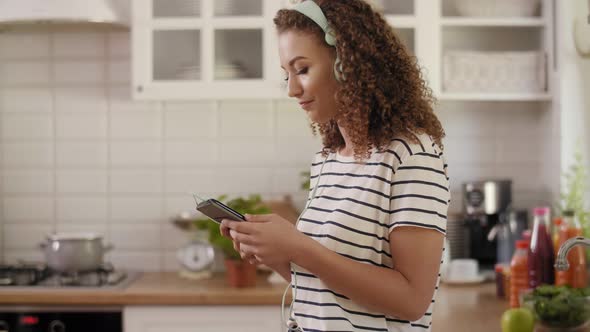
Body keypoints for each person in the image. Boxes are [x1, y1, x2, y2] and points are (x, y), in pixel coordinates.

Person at [220, 0, 450, 331]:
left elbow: (412, 300)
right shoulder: (328, 161)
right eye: (286, 74)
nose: (291, 89)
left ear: (347, 64)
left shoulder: (412, 156)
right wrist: (279, 256)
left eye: (302, 69)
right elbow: (329, 289)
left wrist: (299, 246)